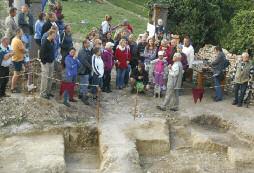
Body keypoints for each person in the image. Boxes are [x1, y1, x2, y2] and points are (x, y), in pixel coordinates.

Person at [39, 29, 56, 99]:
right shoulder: (45, 42)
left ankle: (48, 92)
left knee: (50, 77)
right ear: (50, 34)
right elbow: (41, 54)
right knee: (45, 78)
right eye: (54, 35)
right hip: (46, 63)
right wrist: (44, 62)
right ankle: (43, 93)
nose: (55, 36)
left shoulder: (52, 42)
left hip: (51, 62)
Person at [78, 39, 92, 105]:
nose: (89, 44)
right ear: (84, 44)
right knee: (85, 83)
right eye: (88, 43)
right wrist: (90, 66)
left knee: (83, 83)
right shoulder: (81, 51)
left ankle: (81, 94)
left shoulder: (88, 50)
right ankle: (84, 96)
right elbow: (83, 60)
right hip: (83, 70)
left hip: (86, 69)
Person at [11, 28, 26, 93]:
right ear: (18, 32)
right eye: (21, 32)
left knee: (17, 74)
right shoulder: (18, 41)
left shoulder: (13, 39)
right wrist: (24, 45)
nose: (22, 33)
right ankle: (13, 88)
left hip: (15, 58)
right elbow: (24, 50)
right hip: (17, 60)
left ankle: (15, 86)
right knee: (16, 74)